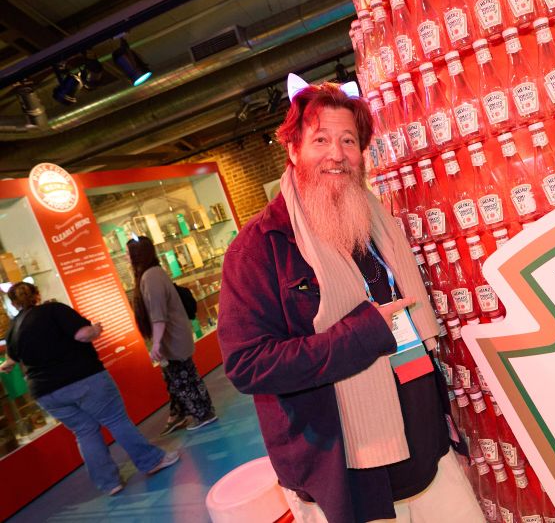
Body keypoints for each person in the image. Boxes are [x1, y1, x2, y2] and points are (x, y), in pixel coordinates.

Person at [217, 80, 483, 523]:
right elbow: (248, 364)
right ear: (294, 150)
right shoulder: (259, 247)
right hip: (345, 476)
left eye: (348, 141)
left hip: (428, 452)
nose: (336, 154)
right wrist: (362, 335)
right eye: (320, 139)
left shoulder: (375, 222)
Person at [0, 282, 179, 495]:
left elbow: (10, 362)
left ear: (13, 303)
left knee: (84, 432)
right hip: (82, 378)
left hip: (46, 393)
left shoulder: (14, 329)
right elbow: (82, 335)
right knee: (116, 420)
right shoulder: (54, 310)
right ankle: (151, 461)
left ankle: (109, 483)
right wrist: (96, 329)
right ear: (37, 294)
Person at [127, 236, 217, 434]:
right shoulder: (154, 273)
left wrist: (157, 345)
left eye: (129, 255)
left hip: (172, 339)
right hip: (175, 336)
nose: (127, 259)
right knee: (181, 377)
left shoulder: (150, 277)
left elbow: (158, 314)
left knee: (184, 378)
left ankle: (203, 413)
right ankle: (185, 413)